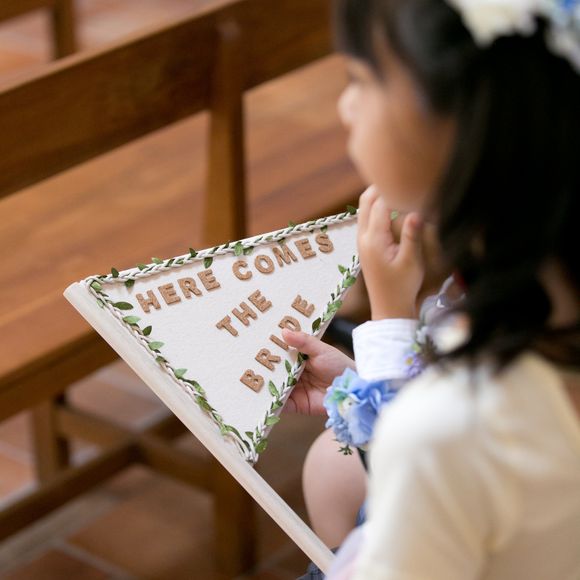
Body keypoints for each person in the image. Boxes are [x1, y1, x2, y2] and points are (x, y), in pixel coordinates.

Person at [284, 0, 580, 577]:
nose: (345, 106)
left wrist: (391, 316)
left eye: (361, 79)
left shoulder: (448, 433)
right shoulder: (548, 297)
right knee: (330, 468)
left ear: (459, 126)